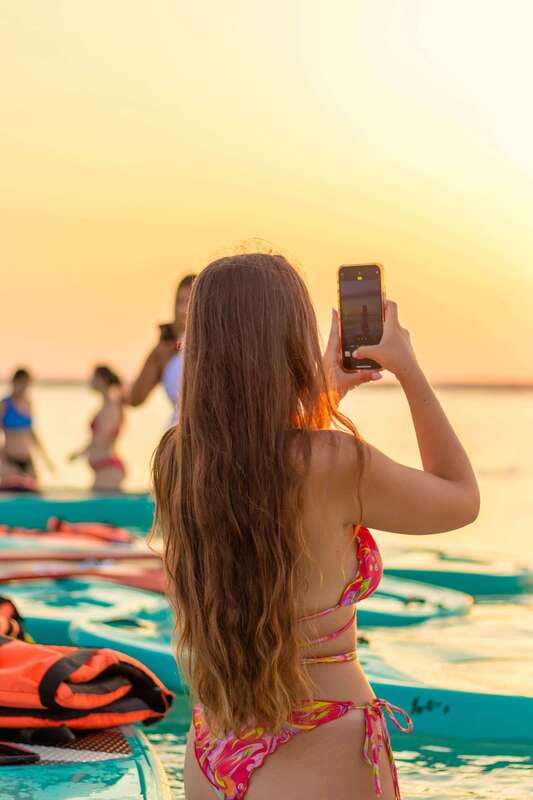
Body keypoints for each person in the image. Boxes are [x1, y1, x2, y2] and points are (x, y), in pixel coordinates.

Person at [152, 253, 480, 800]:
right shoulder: (334, 461)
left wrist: (328, 392)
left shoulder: (179, 461)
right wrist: (407, 368)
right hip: (322, 739)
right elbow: (459, 499)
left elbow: (263, 474)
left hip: (213, 748)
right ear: (291, 341)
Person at [128, 274, 196, 426]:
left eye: (190, 302)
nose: (183, 310)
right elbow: (136, 398)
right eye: (180, 302)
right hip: (176, 434)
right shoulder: (165, 350)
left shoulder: (215, 346)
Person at [69, 365, 125, 491]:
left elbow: (102, 439)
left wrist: (82, 453)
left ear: (102, 380)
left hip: (108, 470)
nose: (90, 381)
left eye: (93, 377)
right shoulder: (106, 406)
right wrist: (80, 454)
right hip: (102, 469)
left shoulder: (111, 407)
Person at [0, 368, 53, 492]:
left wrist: (46, 459)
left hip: (27, 459)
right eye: (22, 384)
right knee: (9, 494)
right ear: (14, 382)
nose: (24, 388)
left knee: (35, 494)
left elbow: (31, 432)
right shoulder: (5, 404)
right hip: (9, 458)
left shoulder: (28, 403)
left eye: (27, 385)